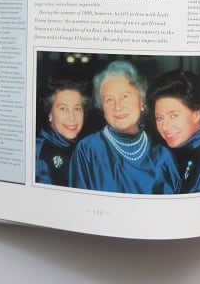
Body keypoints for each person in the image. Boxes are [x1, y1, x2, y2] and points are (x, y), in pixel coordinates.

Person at [69, 60, 180, 194]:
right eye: (109, 99)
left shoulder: (162, 155)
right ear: (102, 108)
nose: (118, 107)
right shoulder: (88, 150)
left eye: (124, 96)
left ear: (142, 100)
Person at [147, 69, 200, 193]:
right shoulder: (188, 151)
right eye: (159, 118)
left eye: (173, 116)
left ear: (196, 114)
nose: (164, 127)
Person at [36, 78, 89, 186]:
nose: (72, 117)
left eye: (77, 109)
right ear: (50, 112)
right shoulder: (39, 153)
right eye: (63, 109)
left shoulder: (82, 148)